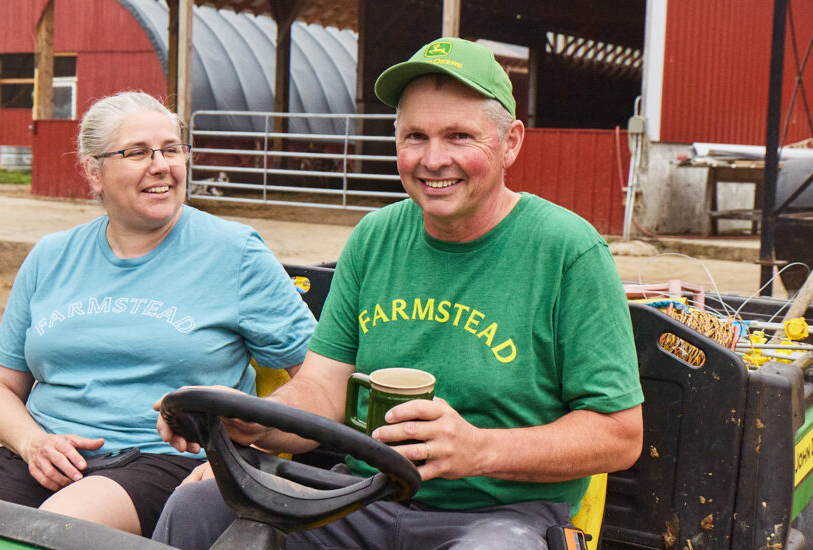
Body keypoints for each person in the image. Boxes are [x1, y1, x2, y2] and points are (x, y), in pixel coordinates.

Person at [153, 38, 644, 549]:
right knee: (196, 509)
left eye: (459, 136)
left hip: (501, 515)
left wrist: (478, 450)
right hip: (360, 497)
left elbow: (620, 434)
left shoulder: (567, 251)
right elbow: (322, 393)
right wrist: (249, 422)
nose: (434, 160)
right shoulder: (375, 238)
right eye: (415, 136)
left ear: (511, 142)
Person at [0, 91, 316, 537]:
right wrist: (32, 443)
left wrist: (243, 442)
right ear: (94, 172)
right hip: (42, 455)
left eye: (172, 149)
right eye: (137, 152)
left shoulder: (234, 253)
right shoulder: (50, 256)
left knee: (54, 531)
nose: (161, 165)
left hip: (167, 459)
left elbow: (321, 388)